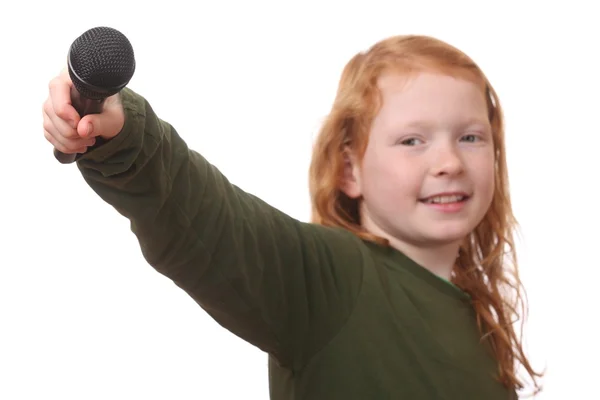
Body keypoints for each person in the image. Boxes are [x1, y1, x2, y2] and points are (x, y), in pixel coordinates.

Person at [42, 34, 543, 399]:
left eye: (470, 137)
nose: (450, 162)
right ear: (350, 170)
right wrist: (122, 131)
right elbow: (202, 214)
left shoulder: (476, 318)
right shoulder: (330, 279)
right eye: (413, 140)